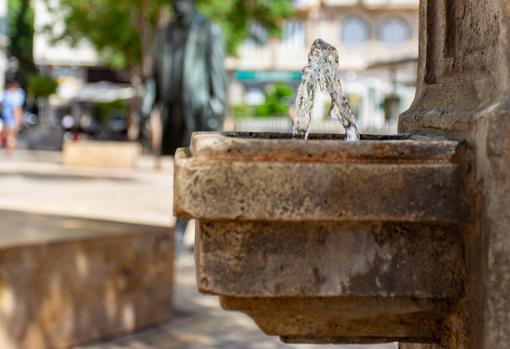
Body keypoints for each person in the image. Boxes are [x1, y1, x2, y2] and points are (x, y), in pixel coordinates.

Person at [142, 0, 227, 251]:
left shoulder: (209, 30)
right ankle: (191, 232)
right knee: (185, 171)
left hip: (199, 112)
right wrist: (147, 105)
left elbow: (217, 75)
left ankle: (183, 233)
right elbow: (154, 76)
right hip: (172, 110)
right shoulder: (163, 34)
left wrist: (217, 110)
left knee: (192, 173)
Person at [1, 81, 25, 155]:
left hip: (5, 118)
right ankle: (10, 152)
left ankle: (9, 151)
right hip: (11, 119)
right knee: (10, 135)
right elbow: (16, 109)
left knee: (7, 135)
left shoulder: (6, 94)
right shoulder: (17, 95)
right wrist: (19, 121)